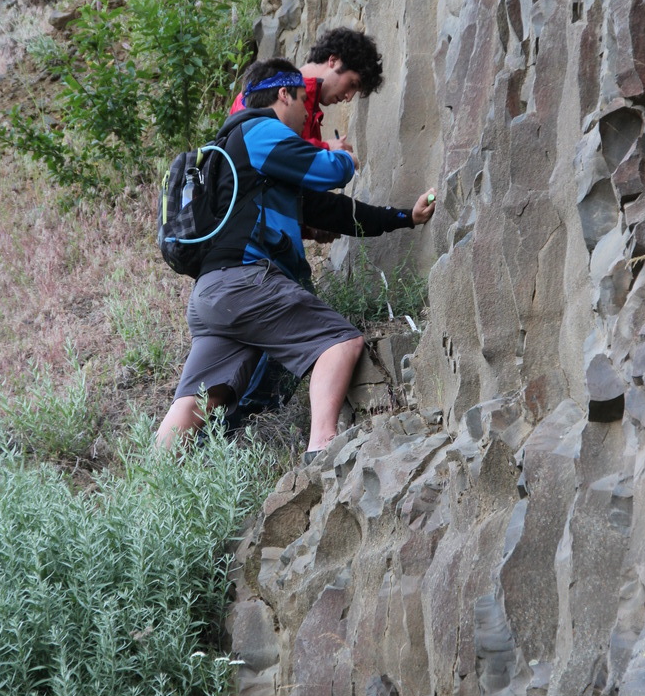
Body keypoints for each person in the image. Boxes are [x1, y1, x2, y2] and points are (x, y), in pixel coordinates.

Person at [156, 58, 436, 457]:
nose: (308, 112)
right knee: (340, 342)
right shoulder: (258, 130)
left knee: (200, 399)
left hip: (211, 296)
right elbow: (328, 169)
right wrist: (346, 158)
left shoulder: (244, 161)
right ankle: (321, 452)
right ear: (284, 94)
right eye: (304, 100)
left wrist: (405, 217)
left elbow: (334, 212)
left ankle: (152, 478)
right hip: (245, 282)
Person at [229, 26, 384, 152]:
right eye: (352, 84)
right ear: (334, 60)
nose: (349, 97)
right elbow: (262, 146)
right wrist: (326, 149)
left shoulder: (309, 106)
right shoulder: (265, 87)